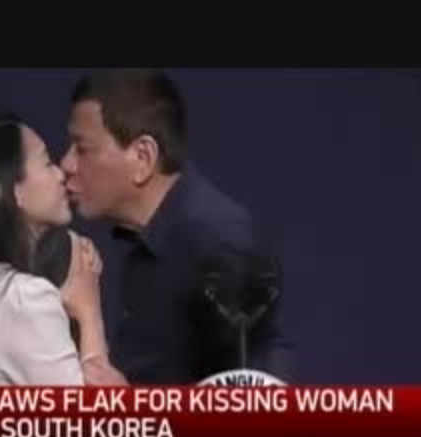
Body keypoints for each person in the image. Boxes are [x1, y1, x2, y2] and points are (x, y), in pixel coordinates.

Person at [59, 69, 293, 384]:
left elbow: (255, 401)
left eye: (82, 148)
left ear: (143, 157)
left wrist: (132, 406)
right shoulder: (147, 241)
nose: (66, 164)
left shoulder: (216, 240)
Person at [0, 112, 126, 386]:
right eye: (47, 162)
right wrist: (89, 313)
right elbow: (89, 413)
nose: (61, 173)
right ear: (12, 191)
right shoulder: (23, 299)